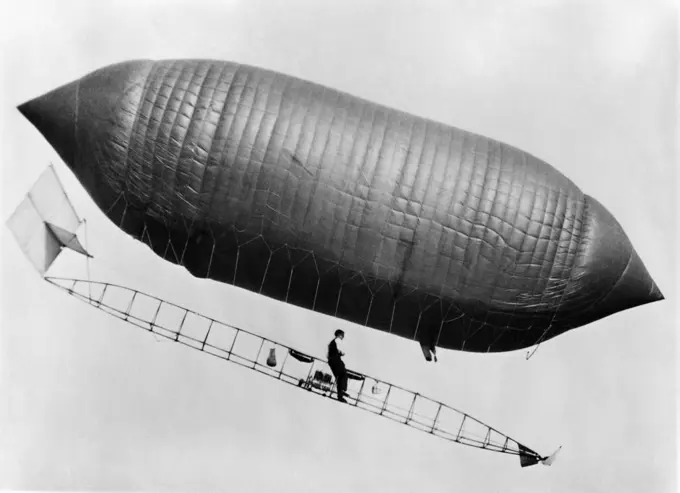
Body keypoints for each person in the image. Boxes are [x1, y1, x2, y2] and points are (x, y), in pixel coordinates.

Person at [327, 329, 349, 403]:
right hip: (335, 361)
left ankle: (341, 392)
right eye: (342, 335)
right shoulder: (337, 340)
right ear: (339, 335)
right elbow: (341, 351)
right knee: (342, 375)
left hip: (333, 361)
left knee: (341, 376)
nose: (343, 337)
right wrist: (341, 353)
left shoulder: (333, 342)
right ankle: (340, 394)